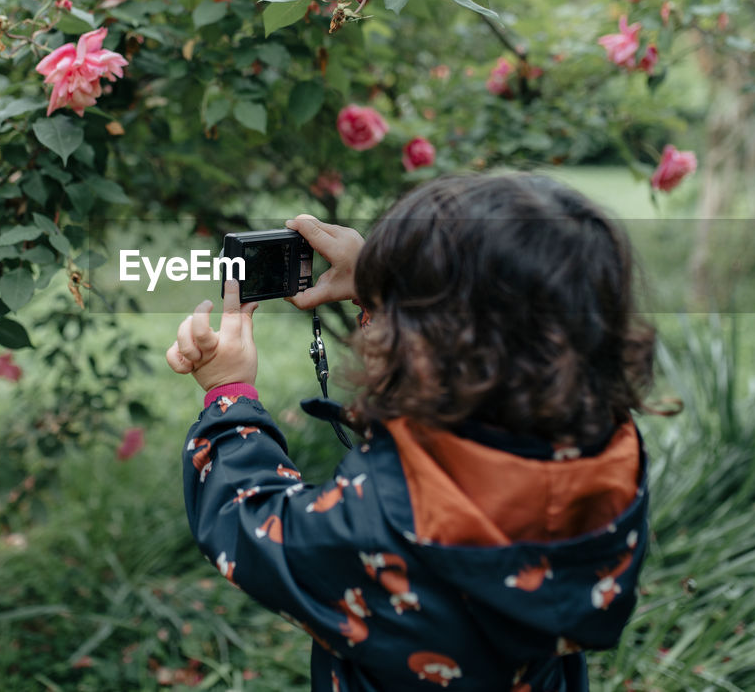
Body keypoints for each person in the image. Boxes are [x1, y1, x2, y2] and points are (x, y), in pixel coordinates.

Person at [166, 174, 655, 691]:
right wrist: (384, 284)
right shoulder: (612, 460)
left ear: (426, 354)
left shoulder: (383, 525)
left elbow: (247, 519)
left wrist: (229, 393)